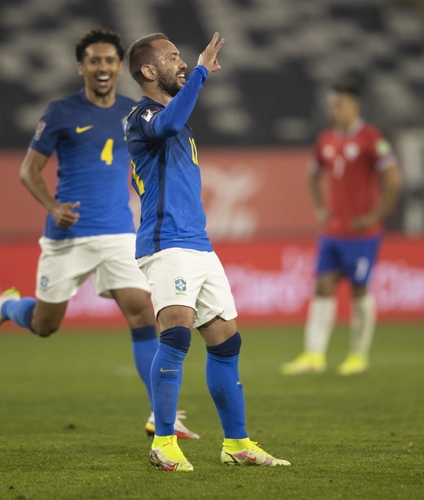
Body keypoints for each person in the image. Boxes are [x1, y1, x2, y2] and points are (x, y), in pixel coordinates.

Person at [0, 27, 198, 440]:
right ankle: (8, 307)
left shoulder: (136, 111)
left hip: (117, 232)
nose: (103, 67)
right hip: (69, 235)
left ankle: (160, 414)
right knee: (45, 325)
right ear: (82, 67)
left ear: (118, 67)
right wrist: (54, 207)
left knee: (142, 315)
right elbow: (28, 172)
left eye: (110, 60)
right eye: (94, 60)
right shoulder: (60, 112)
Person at [124, 32, 290, 472]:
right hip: (166, 244)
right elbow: (169, 124)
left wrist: (195, 75)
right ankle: (163, 441)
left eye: (182, 57)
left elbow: (177, 121)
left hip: (198, 244)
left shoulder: (175, 115)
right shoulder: (141, 116)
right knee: (176, 335)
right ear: (147, 70)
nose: (181, 62)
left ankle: (236, 443)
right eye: (172, 57)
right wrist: (199, 72)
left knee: (225, 340)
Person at [280, 82, 403, 376]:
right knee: (322, 286)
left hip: (362, 234)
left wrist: (375, 215)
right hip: (333, 232)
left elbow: (394, 179)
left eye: (339, 104)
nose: (334, 110)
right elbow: (313, 175)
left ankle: (358, 356)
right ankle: (313, 355)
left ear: (355, 106)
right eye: (332, 105)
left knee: (360, 289)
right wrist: (321, 208)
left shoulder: (372, 139)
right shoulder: (325, 140)